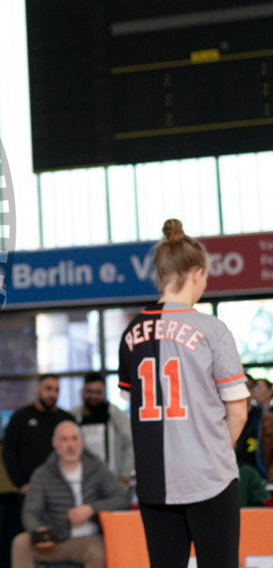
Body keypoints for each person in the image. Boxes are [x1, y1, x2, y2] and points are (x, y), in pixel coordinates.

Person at [118, 219, 249, 568]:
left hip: (153, 481)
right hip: (210, 477)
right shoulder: (212, 329)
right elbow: (238, 411)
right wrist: (216, 451)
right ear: (197, 272)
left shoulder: (132, 332)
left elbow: (132, 401)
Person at [11, 421, 128, 568]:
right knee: (21, 543)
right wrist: (39, 530)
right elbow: (30, 511)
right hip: (57, 538)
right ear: (55, 443)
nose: (70, 445)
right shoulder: (43, 473)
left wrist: (91, 509)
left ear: (81, 441)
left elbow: (122, 498)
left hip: (89, 539)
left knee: (98, 553)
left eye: (74, 438)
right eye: (64, 439)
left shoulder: (97, 468)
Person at [2, 375, 76, 492]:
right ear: (38, 389)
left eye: (56, 390)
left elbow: (77, 451)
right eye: (48, 389)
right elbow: (9, 452)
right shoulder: (20, 418)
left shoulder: (67, 420)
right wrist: (20, 484)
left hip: (63, 487)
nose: (52, 394)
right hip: (31, 487)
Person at [69, 371, 134, 484]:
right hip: (81, 480)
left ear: (105, 393)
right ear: (82, 392)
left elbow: (130, 445)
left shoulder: (117, 416)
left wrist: (124, 475)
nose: (93, 396)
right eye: (89, 391)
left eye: (98, 392)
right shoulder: (73, 416)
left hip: (112, 480)